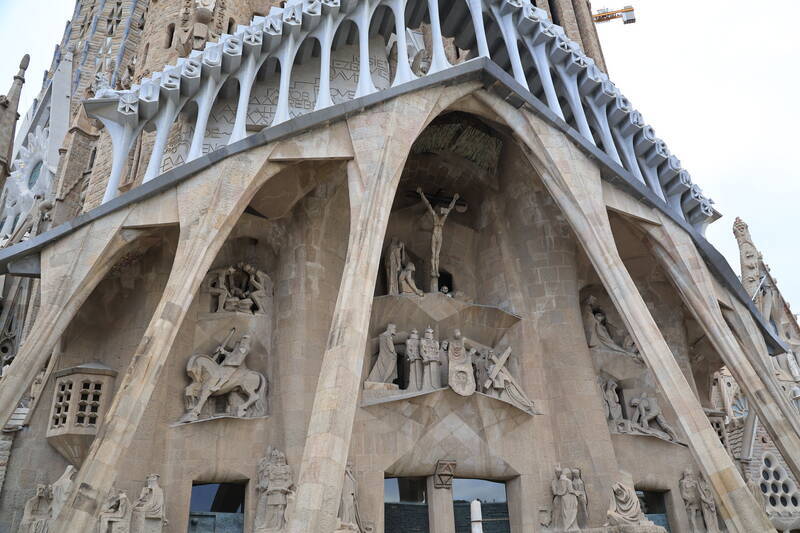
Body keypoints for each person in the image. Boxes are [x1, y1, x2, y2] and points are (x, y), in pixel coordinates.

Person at [417, 188, 459, 290]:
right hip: (435, 235)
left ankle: (436, 270)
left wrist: (454, 199)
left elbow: (450, 208)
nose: (441, 212)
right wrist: (421, 194)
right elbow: (428, 205)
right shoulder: (435, 216)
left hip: (439, 236)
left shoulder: (443, 218)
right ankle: (433, 270)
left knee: (437, 255)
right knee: (433, 254)